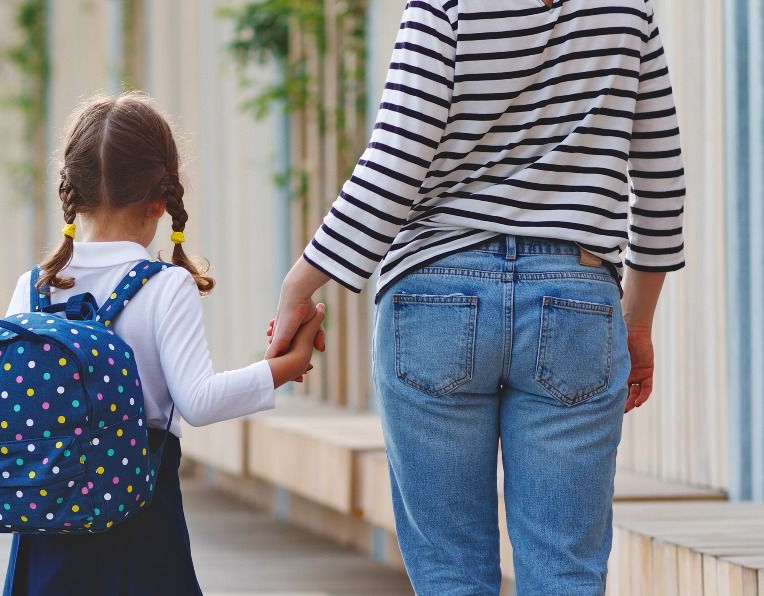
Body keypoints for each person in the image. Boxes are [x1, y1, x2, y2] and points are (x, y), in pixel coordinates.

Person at [266, 1, 685, 594]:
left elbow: (396, 157)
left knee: (449, 573)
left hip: (435, 294)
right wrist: (637, 323)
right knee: (566, 570)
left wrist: (301, 283)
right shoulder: (628, 10)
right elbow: (661, 179)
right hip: (577, 300)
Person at [1, 93, 324, 596]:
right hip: (138, 521)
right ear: (160, 199)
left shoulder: (33, 288)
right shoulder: (162, 284)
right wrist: (283, 366)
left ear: (74, 191)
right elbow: (198, 401)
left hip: (47, 526)